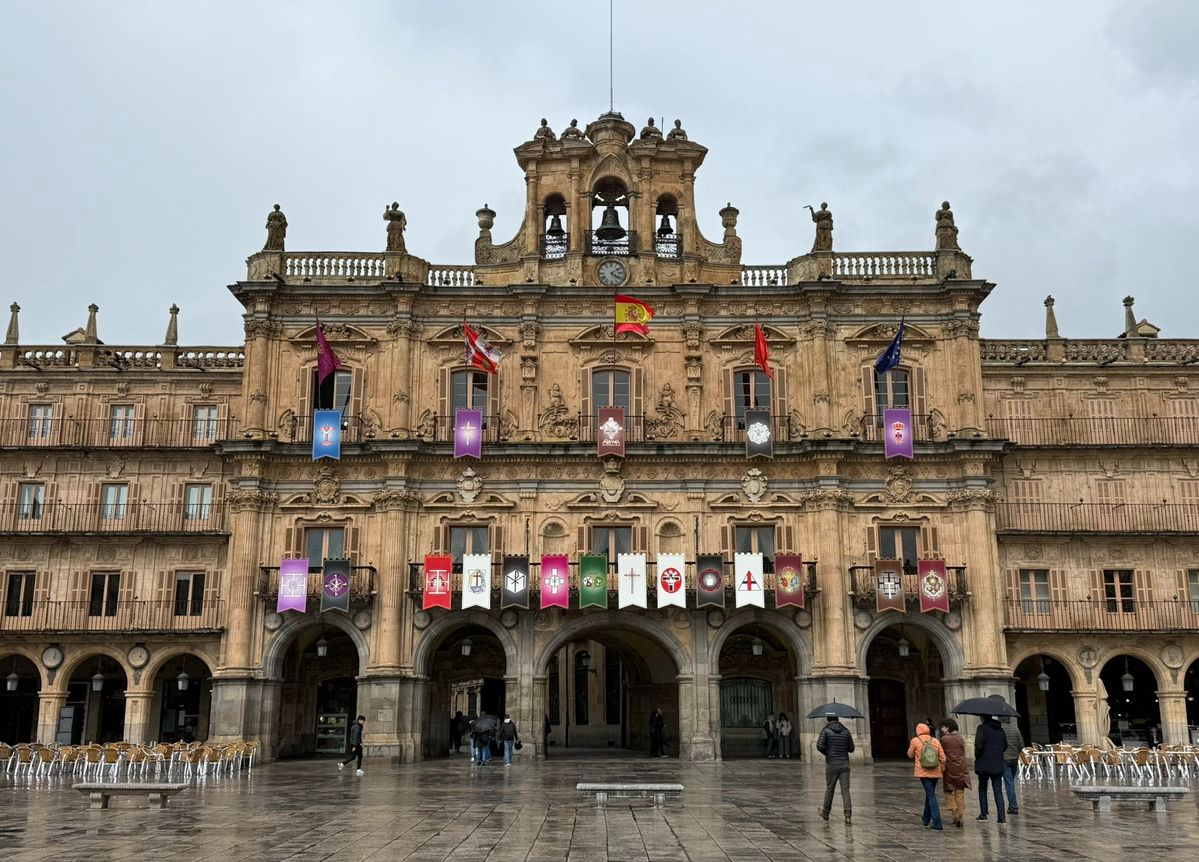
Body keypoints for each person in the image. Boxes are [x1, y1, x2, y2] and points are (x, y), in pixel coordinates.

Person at [907, 722, 946, 830]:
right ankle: (925, 818)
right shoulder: (935, 741)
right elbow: (943, 758)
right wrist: (942, 769)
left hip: (923, 772)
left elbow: (910, 755)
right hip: (935, 771)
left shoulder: (915, 741)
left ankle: (937, 823)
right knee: (930, 794)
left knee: (931, 795)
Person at [817, 716, 855, 825]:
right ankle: (848, 816)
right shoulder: (846, 731)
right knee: (845, 790)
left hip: (832, 764)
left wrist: (827, 752)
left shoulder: (826, 730)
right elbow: (851, 748)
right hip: (844, 764)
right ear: (838, 719)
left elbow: (819, 746)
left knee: (830, 788)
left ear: (828, 719)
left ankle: (826, 812)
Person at [989, 695, 1024, 815]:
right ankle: (1012, 804)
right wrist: (1016, 753)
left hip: (1004, 759)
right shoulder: (1015, 729)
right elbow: (1021, 744)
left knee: (1008, 783)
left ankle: (1013, 806)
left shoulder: (998, 729)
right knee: (1011, 782)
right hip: (1014, 758)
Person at [974, 716, 1008, 823]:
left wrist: (978, 755)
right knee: (997, 790)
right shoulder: (1000, 729)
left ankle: (983, 813)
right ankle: (1001, 817)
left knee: (982, 788)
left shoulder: (981, 728)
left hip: (984, 763)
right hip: (997, 763)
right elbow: (1005, 745)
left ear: (983, 718)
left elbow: (978, 745)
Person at [939, 718, 970, 828]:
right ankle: (960, 814)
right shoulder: (960, 738)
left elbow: (940, 753)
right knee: (959, 792)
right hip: (961, 768)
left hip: (949, 768)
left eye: (943, 727)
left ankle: (954, 813)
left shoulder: (944, 739)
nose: (942, 729)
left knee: (949, 791)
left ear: (947, 727)